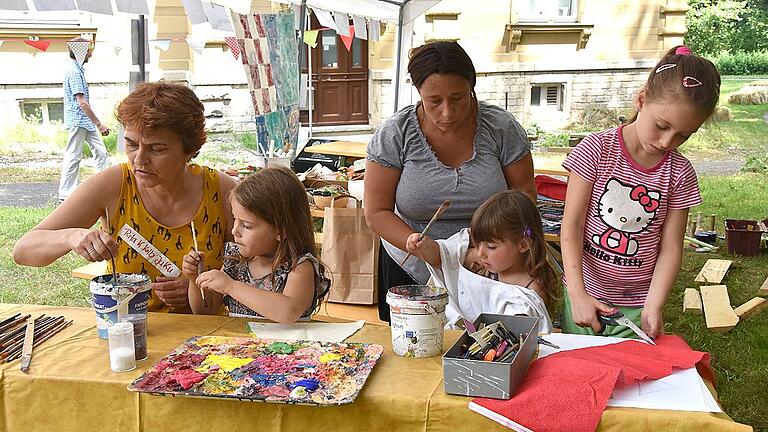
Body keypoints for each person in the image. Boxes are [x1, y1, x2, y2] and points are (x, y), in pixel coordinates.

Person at [13, 81, 237, 313]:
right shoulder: (114, 185)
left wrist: (203, 289)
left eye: (156, 148)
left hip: (208, 336)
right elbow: (23, 251)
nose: (139, 159)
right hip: (128, 331)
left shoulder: (221, 190)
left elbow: (261, 269)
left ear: (190, 149)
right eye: (131, 144)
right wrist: (72, 237)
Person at [365, 41, 536, 322]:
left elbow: (524, 195)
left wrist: (494, 250)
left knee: (491, 347)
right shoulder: (395, 134)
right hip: (412, 267)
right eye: (434, 101)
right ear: (418, 92)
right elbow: (376, 212)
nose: (447, 112)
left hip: (491, 267)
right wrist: (413, 242)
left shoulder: (500, 128)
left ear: (472, 87)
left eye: (458, 98)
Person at [560, 45, 721, 339]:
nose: (667, 142)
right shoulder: (596, 150)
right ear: (642, 99)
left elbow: (671, 247)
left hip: (637, 305)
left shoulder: (680, 173)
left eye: (684, 135)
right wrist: (578, 293)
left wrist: (654, 305)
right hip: (584, 295)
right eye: (662, 126)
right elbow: (571, 226)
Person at [182, 166, 330, 322]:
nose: (234, 231)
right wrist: (195, 279)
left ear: (281, 231)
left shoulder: (299, 266)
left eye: (246, 225)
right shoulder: (235, 260)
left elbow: (288, 312)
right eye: (235, 220)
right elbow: (205, 312)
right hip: (239, 344)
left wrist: (231, 286)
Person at [405, 190, 556, 333]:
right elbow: (445, 258)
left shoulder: (532, 291)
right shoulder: (485, 271)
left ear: (523, 244)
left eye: (491, 246)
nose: (480, 253)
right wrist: (424, 246)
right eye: (478, 244)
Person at [59, 37, 111, 203]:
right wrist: (99, 124)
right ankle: (66, 195)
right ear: (80, 52)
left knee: (101, 152)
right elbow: (82, 103)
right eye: (88, 50)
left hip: (85, 122)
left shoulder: (79, 71)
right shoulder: (74, 73)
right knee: (73, 157)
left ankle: (102, 187)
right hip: (78, 120)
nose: (90, 53)